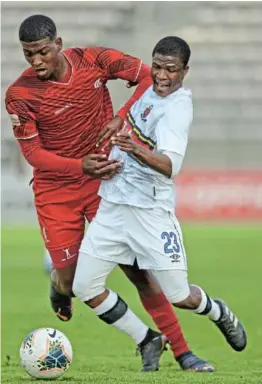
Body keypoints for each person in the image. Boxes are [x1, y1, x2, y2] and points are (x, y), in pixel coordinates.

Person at [5, 14, 213, 372]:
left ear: (58, 43)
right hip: (56, 188)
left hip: (106, 182)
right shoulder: (19, 95)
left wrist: (122, 114)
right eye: (28, 55)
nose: (36, 61)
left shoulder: (94, 60)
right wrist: (78, 166)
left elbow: (146, 75)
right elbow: (33, 155)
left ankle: (182, 351)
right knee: (70, 282)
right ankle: (65, 288)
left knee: (138, 271)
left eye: (42, 52)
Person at [72, 36, 247, 368]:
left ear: (185, 71)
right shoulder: (149, 89)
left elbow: (170, 166)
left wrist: (133, 148)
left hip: (150, 214)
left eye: (171, 70)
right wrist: (118, 135)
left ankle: (217, 310)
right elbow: (135, 114)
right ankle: (147, 337)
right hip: (113, 207)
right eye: (157, 66)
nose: (162, 76)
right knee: (84, 287)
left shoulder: (177, 110)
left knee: (180, 296)